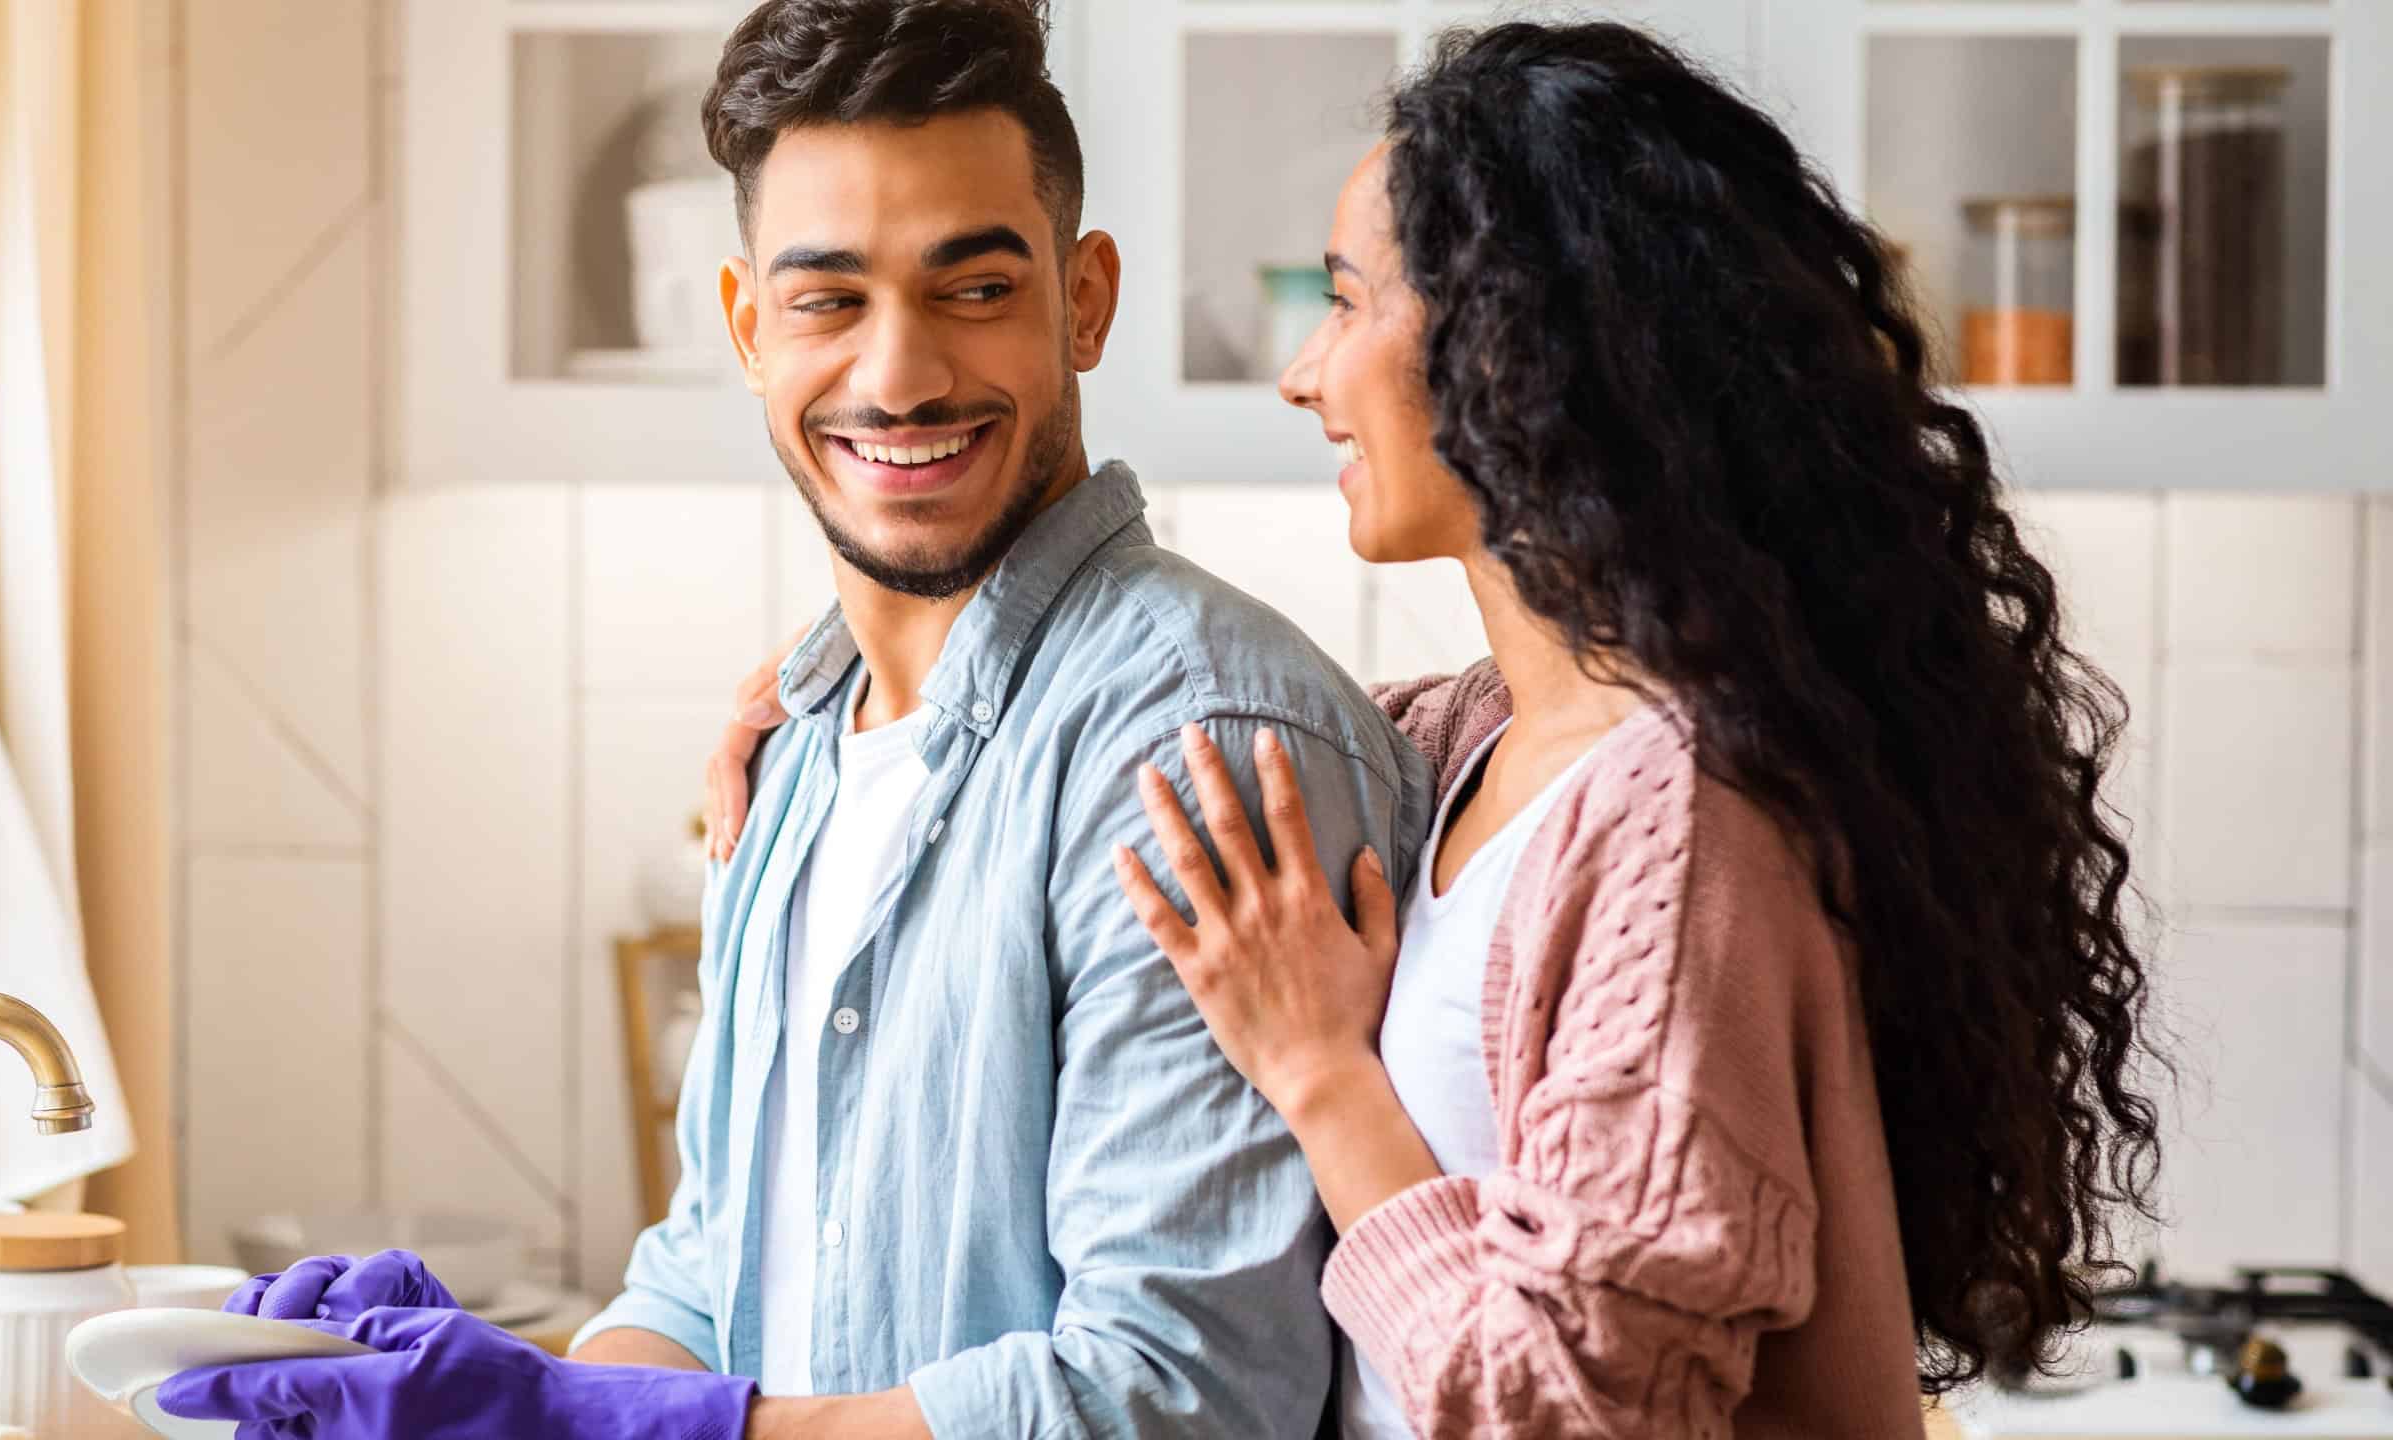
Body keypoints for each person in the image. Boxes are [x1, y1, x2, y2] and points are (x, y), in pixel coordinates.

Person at [708, 20, 2168, 1440]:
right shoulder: (1485, 743)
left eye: (1347, 303)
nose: (1307, 371)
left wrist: (1327, 1078)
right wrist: (833, 688)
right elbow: (1141, 699)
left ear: (1520, 348)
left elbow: (1594, 1416)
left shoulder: (1686, 821)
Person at [157, 2, 1429, 1439]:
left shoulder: (1189, 751)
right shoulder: (795, 753)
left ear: (1083, 300)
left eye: (973, 289)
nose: (898, 376)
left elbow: (1174, 1397)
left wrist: (607, 1427)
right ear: (750, 329)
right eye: (830, 300)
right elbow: (712, 1280)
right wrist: (519, 1393)